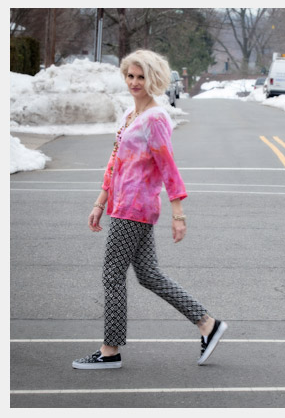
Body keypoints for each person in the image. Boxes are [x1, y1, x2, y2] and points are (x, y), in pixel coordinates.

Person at [72, 49, 227, 369]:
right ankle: (207, 324)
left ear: (153, 79)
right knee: (149, 275)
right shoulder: (130, 115)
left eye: (141, 76)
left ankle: (110, 350)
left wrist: (178, 213)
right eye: (130, 75)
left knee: (112, 274)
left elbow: (168, 167)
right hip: (121, 204)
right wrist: (99, 203)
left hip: (136, 206)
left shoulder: (156, 118)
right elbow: (115, 162)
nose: (134, 82)